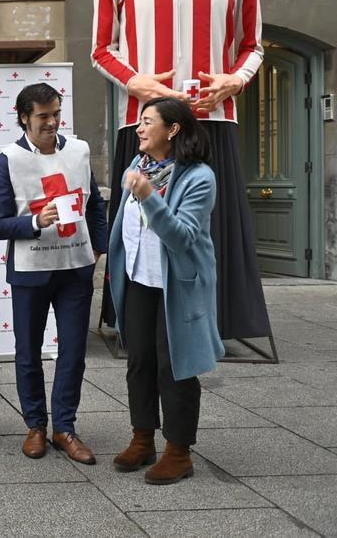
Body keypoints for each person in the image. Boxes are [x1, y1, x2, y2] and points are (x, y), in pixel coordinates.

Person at [92, 0, 269, 343]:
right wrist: (142, 85)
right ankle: (141, 319)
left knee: (206, 225)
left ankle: (218, 320)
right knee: (143, 221)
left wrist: (234, 79)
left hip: (213, 122)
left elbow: (253, 45)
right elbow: (101, 49)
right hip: (144, 124)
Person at [0, 83, 108, 464]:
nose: (52, 122)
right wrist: (35, 222)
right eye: (43, 115)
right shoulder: (6, 159)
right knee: (28, 353)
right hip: (31, 271)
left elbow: (96, 203)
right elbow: (1, 225)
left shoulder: (78, 150)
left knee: (73, 352)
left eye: (56, 113)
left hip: (75, 269)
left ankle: (65, 428)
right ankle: (35, 426)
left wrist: (99, 245)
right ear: (24, 117)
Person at [109, 97, 223, 484]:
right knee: (139, 359)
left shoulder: (198, 177)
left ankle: (178, 451)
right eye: (139, 122)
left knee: (175, 364)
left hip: (177, 285)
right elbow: (126, 226)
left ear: (172, 129)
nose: (139, 129)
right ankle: (143, 438)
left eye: (147, 122)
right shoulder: (139, 166)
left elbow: (182, 237)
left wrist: (147, 197)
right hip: (140, 277)